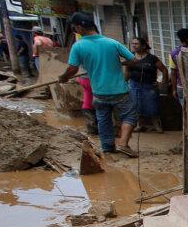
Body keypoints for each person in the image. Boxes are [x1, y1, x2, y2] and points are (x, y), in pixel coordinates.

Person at [57, 12, 138, 157]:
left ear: (79, 27)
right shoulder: (112, 43)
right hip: (119, 90)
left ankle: (107, 148)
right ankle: (123, 144)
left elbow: (72, 69)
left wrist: (63, 77)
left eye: (74, 27)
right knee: (130, 116)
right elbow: (134, 60)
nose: (75, 30)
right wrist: (120, 63)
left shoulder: (78, 46)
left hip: (99, 91)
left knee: (103, 119)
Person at [126, 36, 169, 133]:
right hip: (134, 85)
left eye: (136, 44)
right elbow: (127, 71)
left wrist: (162, 84)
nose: (134, 46)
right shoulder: (130, 57)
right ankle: (139, 125)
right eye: (133, 44)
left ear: (144, 46)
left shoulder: (152, 58)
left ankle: (157, 125)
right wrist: (124, 83)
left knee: (153, 107)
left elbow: (164, 70)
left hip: (149, 86)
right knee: (136, 106)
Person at [170, 27, 188, 105]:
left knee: (185, 111)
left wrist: (174, 89)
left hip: (180, 86)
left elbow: (173, 72)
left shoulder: (173, 53)